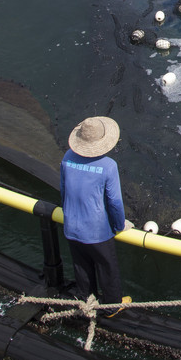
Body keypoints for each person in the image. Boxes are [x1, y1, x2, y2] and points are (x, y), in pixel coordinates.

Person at [61, 116, 126, 304]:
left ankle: (85, 300)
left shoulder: (67, 158)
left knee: (81, 267)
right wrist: (118, 225)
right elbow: (114, 202)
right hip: (97, 231)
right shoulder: (108, 166)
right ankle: (112, 307)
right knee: (107, 268)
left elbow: (64, 191)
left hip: (71, 226)